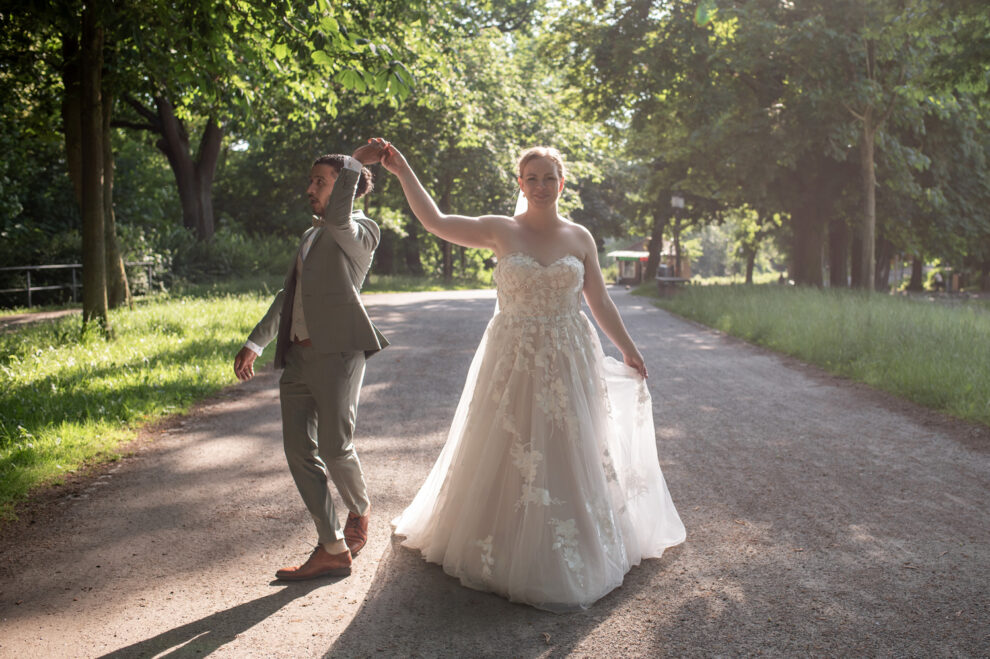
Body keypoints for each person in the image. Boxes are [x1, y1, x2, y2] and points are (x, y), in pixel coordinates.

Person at [378, 140, 685, 611]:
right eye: (532, 178)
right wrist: (402, 171)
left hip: (569, 353)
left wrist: (629, 349)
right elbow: (436, 222)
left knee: (571, 442)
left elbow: (598, 302)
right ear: (520, 185)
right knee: (510, 440)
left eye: (549, 178)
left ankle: (578, 540)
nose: (541, 186)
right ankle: (501, 539)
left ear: (561, 184)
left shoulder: (580, 238)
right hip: (513, 352)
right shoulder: (501, 230)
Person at [233, 142, 388, 580]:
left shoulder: (361, 230)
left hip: (338, 354)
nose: (310, 188)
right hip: (297, 359)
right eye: (311, 180)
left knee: (336, 448)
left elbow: (340, 216)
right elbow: (289, 296)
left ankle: (359, 508)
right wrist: (255, 342)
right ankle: (333, 546)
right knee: (299, 451)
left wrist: (355, 159)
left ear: (346, 188)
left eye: (320, 181)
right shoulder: (309, 236)